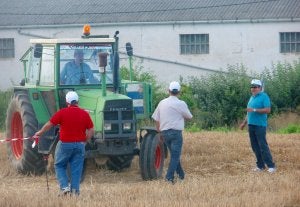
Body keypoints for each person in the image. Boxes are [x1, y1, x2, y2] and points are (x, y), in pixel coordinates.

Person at [34, 91, 94, 196]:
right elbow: (91, 130)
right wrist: (85, 141)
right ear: (77, 101)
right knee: (76, 168)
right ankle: (75, 191)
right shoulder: (85, 114)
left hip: (65, 144)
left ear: (67, 101)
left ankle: (65, 187)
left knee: (59, 165)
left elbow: (50, 124)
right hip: (80, 145)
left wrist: (40, 132)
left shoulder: (62, 112)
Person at [152, 81, 193, 184]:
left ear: (168, 90)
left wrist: (159, 133)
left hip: (165, 133)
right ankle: (169, 178)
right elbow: (189, 117)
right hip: (176, 134)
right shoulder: (181, 103)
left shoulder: (162, 102)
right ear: (179, 92)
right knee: (175, 156)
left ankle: (181, 176)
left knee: (174, 156)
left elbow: (156, 119)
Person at [239, 79, 276, 173]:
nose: (253, 89)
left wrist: (255, 110)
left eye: (255, 87)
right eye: (252, 87)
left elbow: (268, 110)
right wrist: (244, 123)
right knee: (255, 146)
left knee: (263, 146)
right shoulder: (252, 97)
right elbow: (249, 112)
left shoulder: (264, 96)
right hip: (251, 125)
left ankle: (271, 166)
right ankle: (260, 166)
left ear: (260, 88)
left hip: (260, 125)